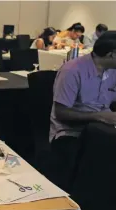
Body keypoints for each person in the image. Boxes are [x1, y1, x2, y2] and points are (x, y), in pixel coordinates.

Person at [49, 31, 116, 192]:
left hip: (103, 129)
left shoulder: (112, 71)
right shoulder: (73, 70)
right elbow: (61, 113)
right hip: (71, 132)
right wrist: (100, 117)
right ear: (112, 55)